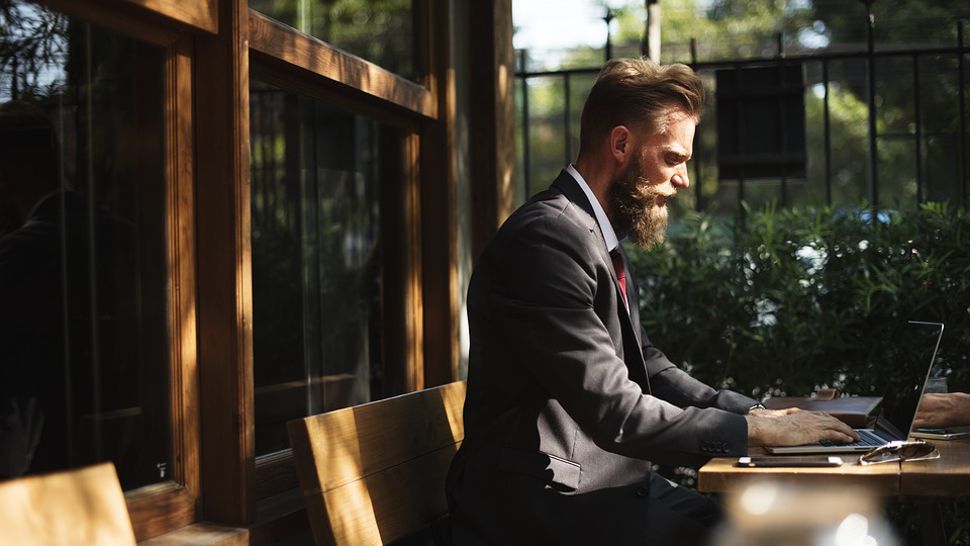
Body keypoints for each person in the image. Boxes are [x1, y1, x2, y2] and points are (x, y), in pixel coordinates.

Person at [444, 58, 857, 546]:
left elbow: (650, 369)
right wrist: (754, 435)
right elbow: (618, 413)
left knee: (785, 532)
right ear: (621, 144)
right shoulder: (547, 240)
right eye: (673, 158)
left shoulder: (588, 233)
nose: (682, 179)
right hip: (544, 511)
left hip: (603, 488)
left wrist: (758, 415)